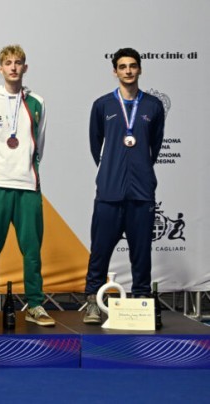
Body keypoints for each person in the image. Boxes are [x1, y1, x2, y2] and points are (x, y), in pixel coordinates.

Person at [82, 48, 165, 324]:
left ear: (139, 69)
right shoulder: (103, 105)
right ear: (115, 71)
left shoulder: (153, 106)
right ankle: (93, 301)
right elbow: (96, 146)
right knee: (100, 250)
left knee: (141, 252)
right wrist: (111, 170)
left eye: (132, 66)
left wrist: (140, 170)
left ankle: (142, 301)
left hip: (141, 193)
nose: (128, 71)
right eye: (122, 66)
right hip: (109, 192)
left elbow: (154, 146)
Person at [0, 45, 54, 327]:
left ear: (25, 68)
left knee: (32, 252)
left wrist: (24, 169)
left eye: (18, 62)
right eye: (8, 63)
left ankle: (35, 304)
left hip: (26, 187)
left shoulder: (37, 102)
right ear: (0, 69)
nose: (13, 67)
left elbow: (38, 145)